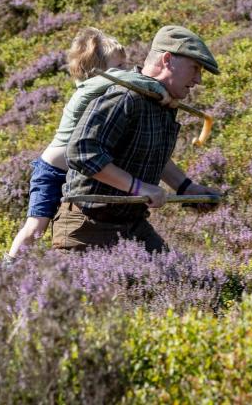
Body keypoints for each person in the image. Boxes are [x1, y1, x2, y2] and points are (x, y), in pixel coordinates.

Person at [5, 28, 174, 261]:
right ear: (95, 71)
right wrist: (155, 86)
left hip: (76, 175)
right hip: (53, 172)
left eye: (125, 66)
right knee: (36, 228)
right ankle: (9, 267)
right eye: (119, 67)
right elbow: (125, 80)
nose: (125, 71)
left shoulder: (108, 91)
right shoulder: (89, 88)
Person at [52, 25, 222, 253]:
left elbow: (150, 156)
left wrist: (186, 187)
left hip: (132, 225)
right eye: (195, 68)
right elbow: (82, 152)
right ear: (168, 59)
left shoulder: (163, 102)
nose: (199, 79)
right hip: (86, 227)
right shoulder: (125, 96)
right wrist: (139, 188)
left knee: (177, 281)